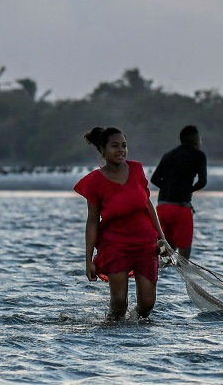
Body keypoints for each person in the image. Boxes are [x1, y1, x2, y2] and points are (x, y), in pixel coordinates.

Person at [74, 127, 173, 321]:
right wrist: (88, 259)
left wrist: (162, 239)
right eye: (115, 146)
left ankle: (134, 326)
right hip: (115, 246)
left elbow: (147, 204)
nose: (121, 150)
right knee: (118, 304)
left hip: (145, 244)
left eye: (124, 146)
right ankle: (113, 337)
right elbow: (92, 221)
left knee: (147, 304)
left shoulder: (136, 169)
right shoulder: (94, 181)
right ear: (102, 150)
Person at [151, 125, 207, 259]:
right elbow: (202, 181)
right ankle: (183, 278)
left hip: (163, 206)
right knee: (184, 255)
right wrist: (188, 190)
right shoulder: (198, 155)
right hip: (181, 208)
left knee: (166, 251)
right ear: (196, 140)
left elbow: (154, 179)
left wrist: (168, 188)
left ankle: (157, 274)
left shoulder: (168, 155)